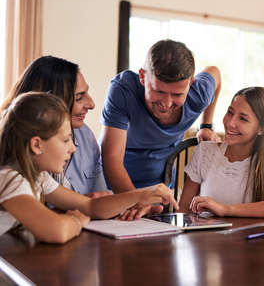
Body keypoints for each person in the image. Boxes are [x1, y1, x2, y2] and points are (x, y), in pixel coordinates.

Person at [0, 92, 178, 243]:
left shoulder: (38, 177)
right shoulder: (11, 180)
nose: (73, 148)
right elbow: (58, 231)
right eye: (65, 140)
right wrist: (75, 220)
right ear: (37, 145)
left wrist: (142, 194)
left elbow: (91, 206)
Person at [100, 39, 221, 219]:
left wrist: (206, 126)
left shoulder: (198, 95)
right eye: (159, 91)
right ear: (143, 76)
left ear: (190, 83)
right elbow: (111, 158)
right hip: (113, 190)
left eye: (177, 94)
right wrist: (138, 202)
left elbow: (215, 73)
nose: (166, 103)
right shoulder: (123, 90)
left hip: (159, 191)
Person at [179, 87, 264, 217]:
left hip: (249, 236)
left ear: (261, 129)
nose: (230, 123)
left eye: (243, 118)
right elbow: (183, 210)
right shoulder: (205, 152)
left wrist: (224, 209)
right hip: (206, 236)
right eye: (230, 112)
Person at [1, 56, 109, 198]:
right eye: (78, 97)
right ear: (49, 103)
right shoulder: (12, 179)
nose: (92, 104)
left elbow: (97, 200)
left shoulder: (85, 135)